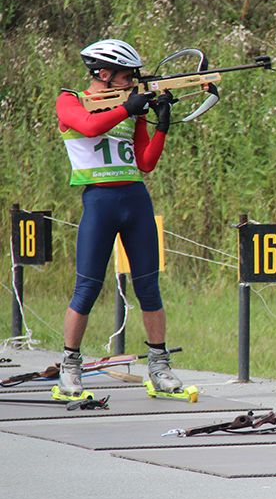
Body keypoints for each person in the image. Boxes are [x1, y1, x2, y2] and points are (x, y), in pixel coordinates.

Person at [56, 39, 182, 398]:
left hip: (135, 199)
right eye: (126, 75)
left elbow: (145, 162)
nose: (132, 81)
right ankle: (70, 366)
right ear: (103, 73)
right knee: (87, 288)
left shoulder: (131, 104)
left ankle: (159, 366)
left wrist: (161, 125)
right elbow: (88, 127)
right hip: (99, 200)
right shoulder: (70, 100)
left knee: (149, 286)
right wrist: (128, 109)